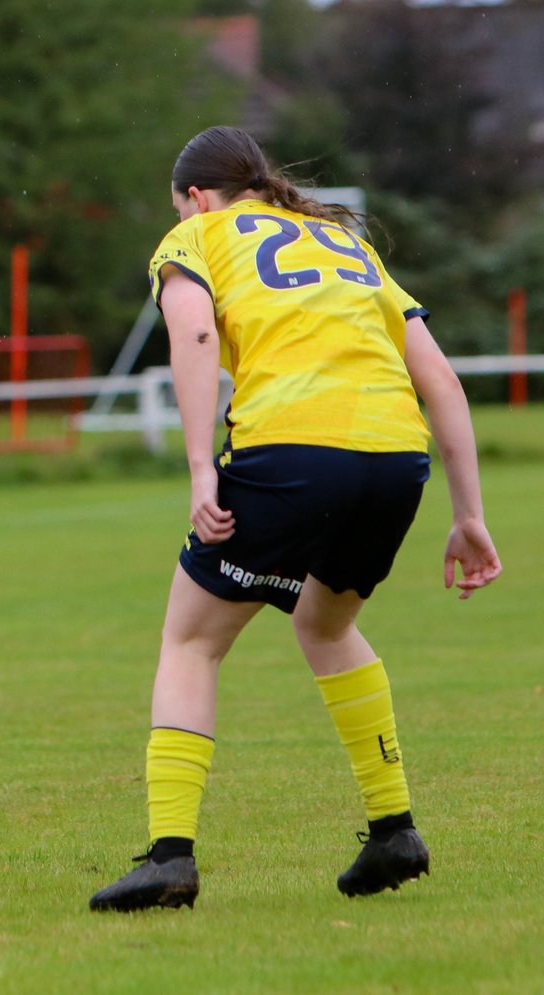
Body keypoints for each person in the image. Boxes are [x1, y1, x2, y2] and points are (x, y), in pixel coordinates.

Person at [89, 126, 501, 912]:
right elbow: (440, 379)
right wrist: (469, 514)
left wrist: (202, 467)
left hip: (291, 451)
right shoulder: (345, 243)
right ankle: (393, 830)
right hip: (394, 459)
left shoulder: (195, 234)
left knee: (192, 639)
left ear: (195, 197)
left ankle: (170, 857)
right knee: (326, 623)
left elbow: (197, 332)